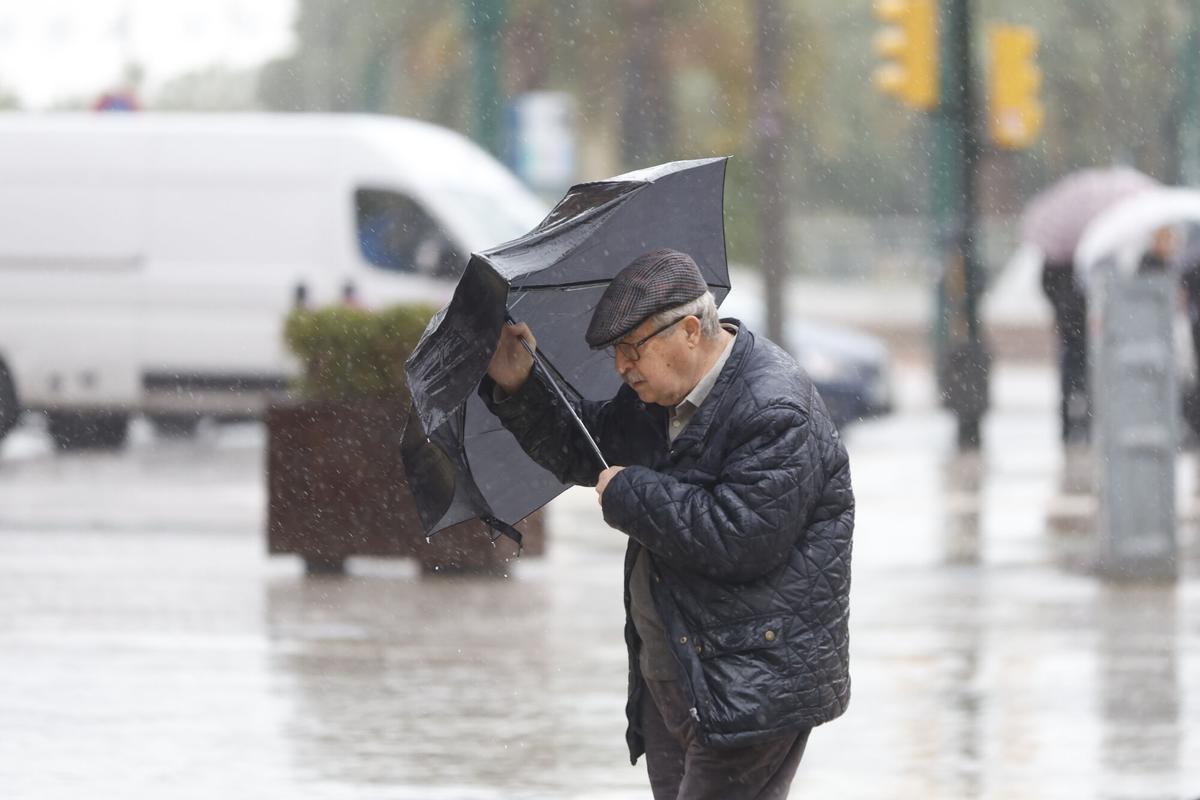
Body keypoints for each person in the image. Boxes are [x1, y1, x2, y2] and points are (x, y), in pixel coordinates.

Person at [481, 249, 854, 799]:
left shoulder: (774, 409)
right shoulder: (659, 397)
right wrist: (521, 385)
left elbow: (740, 538)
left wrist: (632, 494)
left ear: (687, 331)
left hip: (749, 681)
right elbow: (590, 451)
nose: (621, 368)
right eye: (616, 353)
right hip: (676, 667)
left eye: (633, 350)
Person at [1041, 259, 1090, 443]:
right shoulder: (1087, 257)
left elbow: (1046, 285)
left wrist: (1059, 303)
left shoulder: (1055, 258)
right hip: (1080, 322)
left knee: (1070, 369)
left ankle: (1069, 421)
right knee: (1083, 369)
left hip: (1068, 321)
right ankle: (1082, 419)